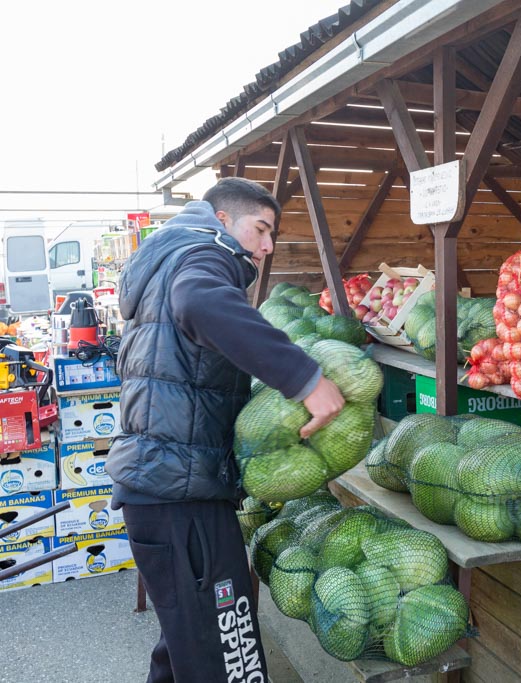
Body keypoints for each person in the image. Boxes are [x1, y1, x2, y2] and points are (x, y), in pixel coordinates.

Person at [107, 177, 346, 683]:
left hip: (165, 488)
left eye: (272, 236)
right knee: (226, 649)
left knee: (186, 647)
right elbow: (202, 303)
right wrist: (304, 379)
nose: (267, 246)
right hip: (179, 494)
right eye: (260, 229)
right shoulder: (204, 256)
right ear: (221, 221)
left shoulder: (171, 259)